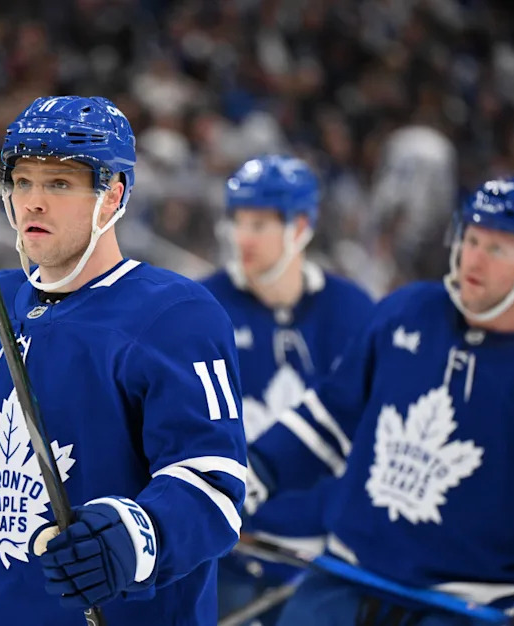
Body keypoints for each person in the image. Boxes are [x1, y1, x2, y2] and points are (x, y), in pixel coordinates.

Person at [0, 95, 248, 626]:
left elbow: (214, 484)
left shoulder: (176, 314)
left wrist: (138, 534)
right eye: (22, 182)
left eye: (59, 184)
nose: (32, 203)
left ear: (112, 195)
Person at [246, 177, 514, 625]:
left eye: (497, 249)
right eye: (471, 239)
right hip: (346, 577)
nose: (472, 259)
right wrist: (247, 475)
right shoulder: (408, 311)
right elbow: (329, 417)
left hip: (467, 608)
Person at [201, 155, 374, 623]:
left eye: (259, 223)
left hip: (326, 557)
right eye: (237, 221)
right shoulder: (201, 304)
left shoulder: (353, 310)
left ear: (300, 227)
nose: (243, 238)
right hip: (229, 548)